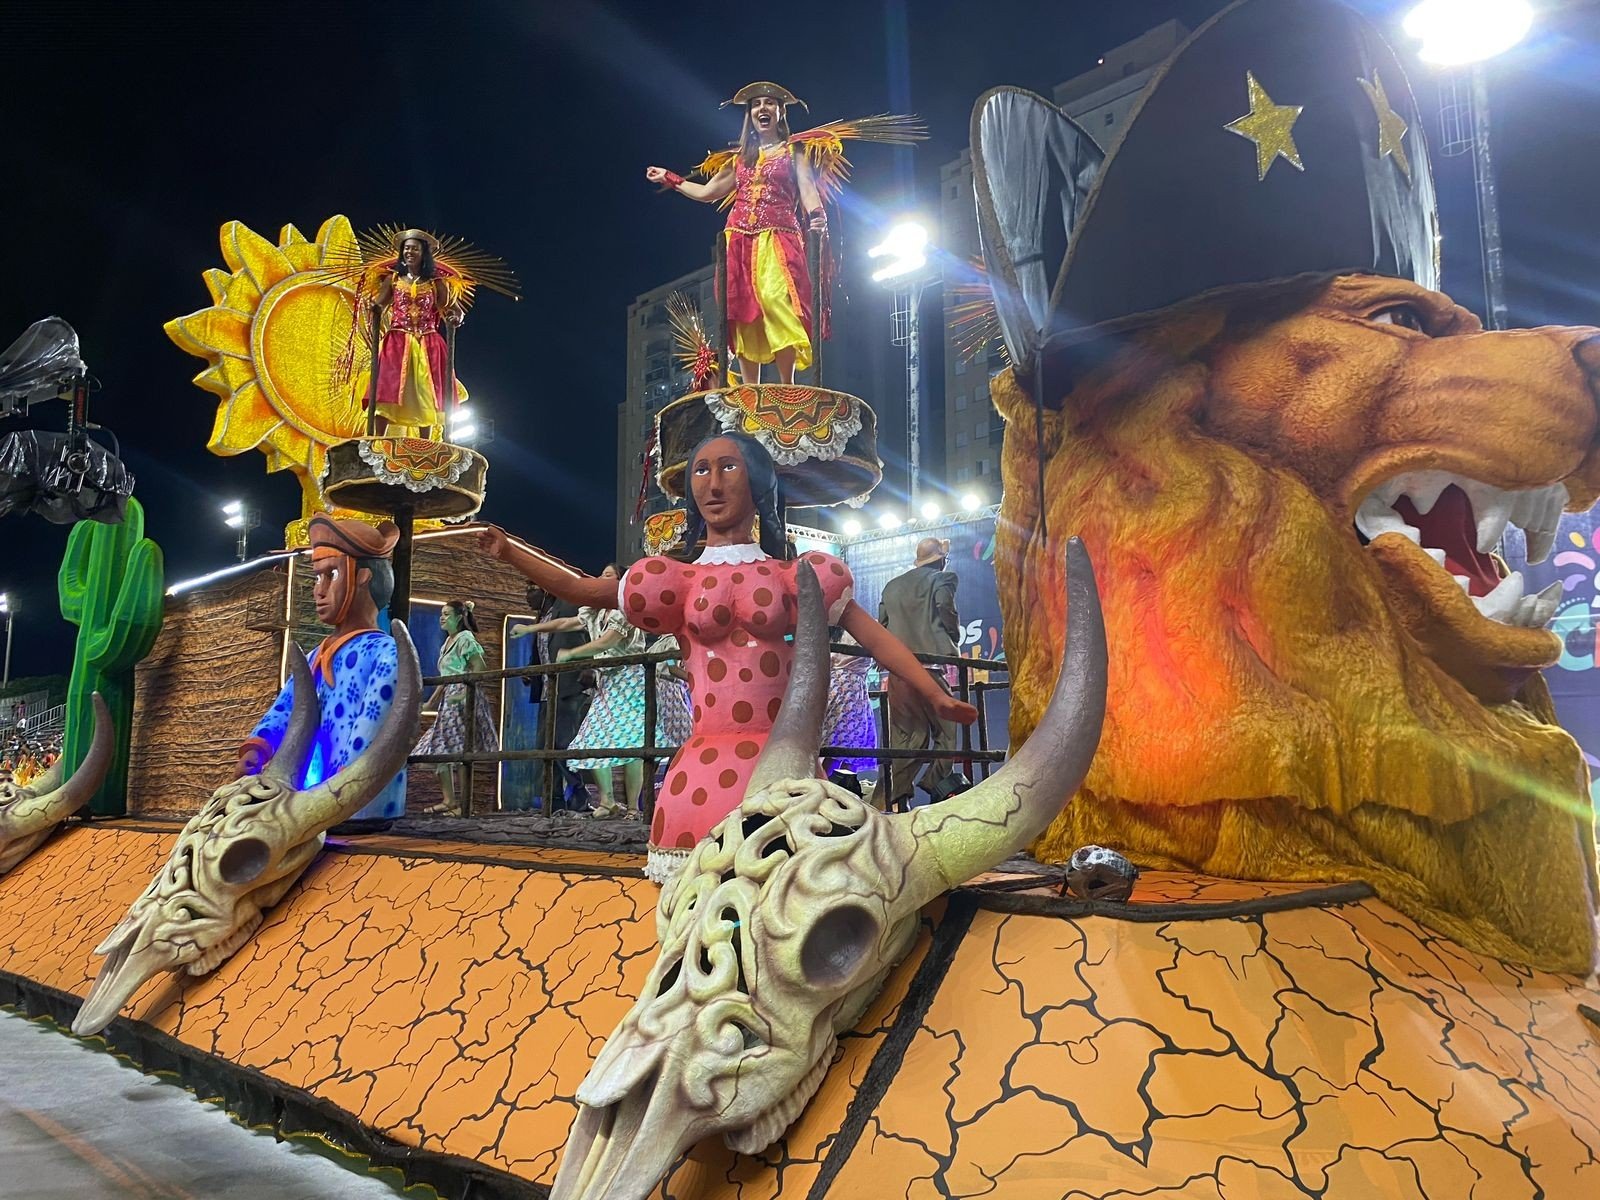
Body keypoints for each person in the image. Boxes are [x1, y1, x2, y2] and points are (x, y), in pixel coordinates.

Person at [478, 431, 976, 883]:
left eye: (728, 468)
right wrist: (511, 551)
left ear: (757, 482)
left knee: (789, 901)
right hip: (700, 772)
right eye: (701, 470)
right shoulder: (675, 581)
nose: (713, 484)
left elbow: (872, 635)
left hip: (783, 770)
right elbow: (578, 588)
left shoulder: (793, 575)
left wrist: (934, 693)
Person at [238, 516, 407, 826]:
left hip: (358, 809)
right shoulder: (317, 655)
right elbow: (288, 706)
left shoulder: (385, 652)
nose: (319, 590)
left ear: (363, 577)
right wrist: (259, 746)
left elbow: (374, 724)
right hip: (312, 807)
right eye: (317, 578)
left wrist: (344, 783)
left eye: (331, 575)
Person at [875, 537, 964, 811]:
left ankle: (895, 799)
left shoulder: (891, 586)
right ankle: (934, 784)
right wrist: (952, 637)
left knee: (906, 737)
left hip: (899, 672)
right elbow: (945, 609)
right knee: (947, 730)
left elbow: (883, 625)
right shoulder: (943, 578)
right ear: (941, 560)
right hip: (929, 668)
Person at [561, 566, 649, 820]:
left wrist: (573, 653)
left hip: (630, 681)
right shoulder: (595, 612)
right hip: (607, 683)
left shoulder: (626, 610)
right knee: (590, 739)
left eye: (608, 575)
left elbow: (608, 642)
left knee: (633, 746)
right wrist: (533, 630)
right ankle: (608, 800)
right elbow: (569, 622)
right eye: (600, 575)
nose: (602, 579)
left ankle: (633, 808)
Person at [370, 229, 463, 435]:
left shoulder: (436, 282)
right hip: (397, 341)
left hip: (428, 341)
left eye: (414, 249)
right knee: (388, 388)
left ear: (423, 253)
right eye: (407, 248)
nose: (409, 252)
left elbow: (455, 309)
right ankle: (376, 441)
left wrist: (456, 318)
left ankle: (426, 445)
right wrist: (374, 308)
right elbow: (379, 303)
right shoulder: (393, 279)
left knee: (426, 391)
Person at [509, 585, 591, 811]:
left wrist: (590, 665)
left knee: (562, 742)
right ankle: (552, 800)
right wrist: (531, 669)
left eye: (530, 590)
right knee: (545, 745)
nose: (526, 596)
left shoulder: (567, 606)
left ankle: (579, 791)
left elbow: (589, 630)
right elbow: (544, 649)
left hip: (569, 684)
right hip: (547, 689)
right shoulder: (542, 616)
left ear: (545, 591)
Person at [413, 600, 498, 816]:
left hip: (462, 698)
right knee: (440, 745)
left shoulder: (465, 638)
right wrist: (431, 702)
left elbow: (479, 666)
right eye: (441, 614)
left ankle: (464, 804)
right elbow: (445, 677)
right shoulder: (447, 643)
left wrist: (464, 692)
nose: (442, 617)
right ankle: (449, 800)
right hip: (449, 698)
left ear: (459, 617)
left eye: (446, 614)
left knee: (459, 749)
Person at [821, 627, 877, 776]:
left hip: (833, 683)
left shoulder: (831, 631)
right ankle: (829, 784)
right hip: (851, 687)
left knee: (839, 741)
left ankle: (830, 783)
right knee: (846, 742)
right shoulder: (862, 629)